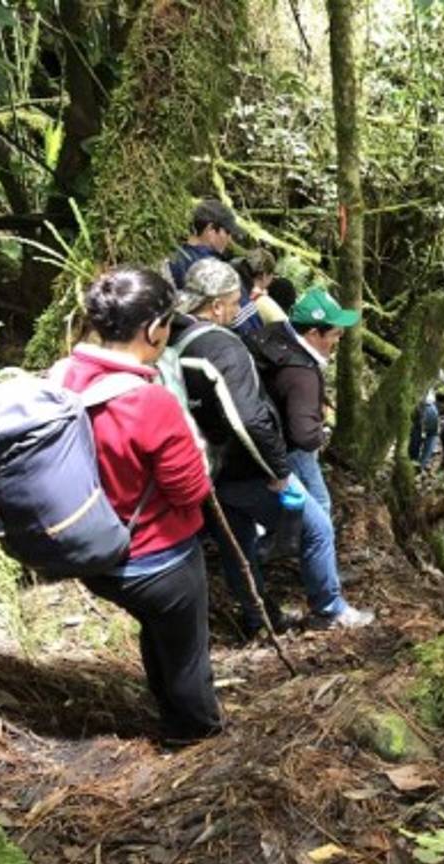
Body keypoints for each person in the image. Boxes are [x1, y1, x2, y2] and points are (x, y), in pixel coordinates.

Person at [59, 267, 222, 745]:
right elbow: (189, 491)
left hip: (92, 552)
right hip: (158, 558)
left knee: (158, 633)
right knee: (186, 651)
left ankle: (170, 711)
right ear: (154, 329)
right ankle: (196, 735)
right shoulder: (149, 402)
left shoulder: (63, 377)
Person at [170, 259, 373, 634]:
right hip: (246, 466)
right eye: (234, 302)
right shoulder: (222, 347)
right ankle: (329, 609)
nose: (238, 310)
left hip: (208, 467)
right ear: (215, 306)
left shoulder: (176, 339)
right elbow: (249, 418)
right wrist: (278, 470)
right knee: (316, 528)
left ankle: (259, 617)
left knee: (239, 542)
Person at [246, 286, 359, 519]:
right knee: (320, 506)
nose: (339, 339)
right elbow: (304, 436)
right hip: (291, 450)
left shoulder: (273, 335)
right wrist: (321, 432)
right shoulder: (302, 374)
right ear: (314, 334)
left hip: (264, 439)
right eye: (336, 334)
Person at [167, 198, 263, 336]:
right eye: (227, 232)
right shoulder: (218, 269)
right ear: (211, 230)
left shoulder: (172, 259)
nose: (229, 239)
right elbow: (247, 323)